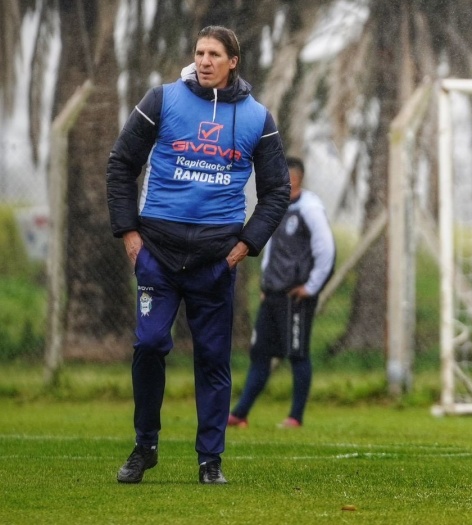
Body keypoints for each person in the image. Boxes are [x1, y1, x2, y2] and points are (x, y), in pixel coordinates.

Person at [106, 25, 290, 485]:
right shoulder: (161, 100)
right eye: (199, 52)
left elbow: (276, 191)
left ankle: (211, 460)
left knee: (213, 360)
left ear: (233, 63)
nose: (204, 60)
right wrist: (129, 232)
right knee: (148, 345)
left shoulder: (257, 119)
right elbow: (121, 163)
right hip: (158, 256)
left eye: (214, 54)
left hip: (216, 262)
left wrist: (244, 247)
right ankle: (144, 445)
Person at [228, 157, 336, 429]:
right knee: (260, 354)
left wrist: (311, 287)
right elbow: (272, 249)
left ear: (296, 179)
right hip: (273, 294)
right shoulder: (277, 207)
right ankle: (240, 414)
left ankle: (295, 417)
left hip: (296, 296)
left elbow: (326, 252)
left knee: (297, 354)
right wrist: (266, 284)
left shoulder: (310, 209)